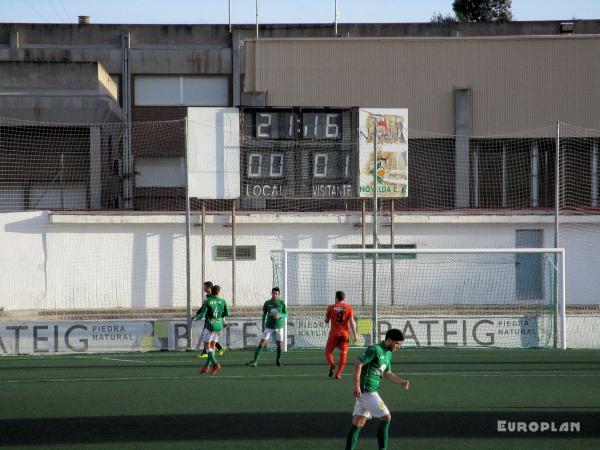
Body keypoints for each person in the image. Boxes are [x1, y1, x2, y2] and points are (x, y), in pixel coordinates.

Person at [345, 328, 409, 450]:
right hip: (367, 391)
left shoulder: (388, 354)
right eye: (397, 343)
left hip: (368, 392)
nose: (398, 346)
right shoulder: (374, 350)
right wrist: (357, 385)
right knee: (386, 417)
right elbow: (358, 363)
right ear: (389, 340)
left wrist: (401, 381)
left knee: (358, 422)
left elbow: (387, 373)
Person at [247, 287, 288, 367]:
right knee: (262, 342)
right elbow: (264, 315)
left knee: (279, 344)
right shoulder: (267, 303)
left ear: (279, 294)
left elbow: (286, 314)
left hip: (279, 327)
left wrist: (280, 315)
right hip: (269, 327)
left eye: (276, 293)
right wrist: (263, 324)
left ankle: (278, 360)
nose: (275, 295)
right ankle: (255, 361)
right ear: (271, 293)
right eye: (273, 293)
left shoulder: (282, 303)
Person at [196, 285, 230, 375]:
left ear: (211, 291)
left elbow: (202, 314)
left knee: (207, 346)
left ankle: (215, 364)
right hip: (218, 326)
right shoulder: (223, 301)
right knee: (212, 346)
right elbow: (228, 313)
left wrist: (197, 317)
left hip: (210, 326)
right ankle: (206, 366)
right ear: (218, 292)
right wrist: (219, 317)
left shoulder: (208, 301)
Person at [325, 290, 358, 379]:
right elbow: (352, 322)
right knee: (343, 354)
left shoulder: (331, 307)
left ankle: (332, 364)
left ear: (336, 298)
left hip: (334, 334)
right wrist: (355, 335)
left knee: (328, 352)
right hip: (344, 335)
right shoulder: (349, 308)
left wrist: (327, 318)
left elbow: (326, 321)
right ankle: (338, 374)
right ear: (344, 298)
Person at [197, 281, 227, 357]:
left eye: (204, 287)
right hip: (211, 319)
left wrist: (224, 321)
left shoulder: (210, 297)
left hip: (211, 319)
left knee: (206, 335)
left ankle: (205, 353)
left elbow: (218, 310)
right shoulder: (207, 296)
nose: (203, 288)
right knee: (210, 337)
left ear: (209, 288)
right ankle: (219, 349)